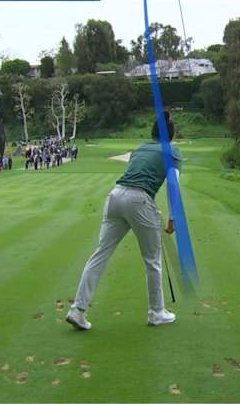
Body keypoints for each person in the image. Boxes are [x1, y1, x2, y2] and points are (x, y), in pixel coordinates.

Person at [66, 113, 183, 331]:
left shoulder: (140, 148)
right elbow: (173, 185)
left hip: (115, 196)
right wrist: (173, 218)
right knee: (152, 260)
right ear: (172, 134)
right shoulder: (172, 151)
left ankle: (78, 310)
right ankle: (157, 312)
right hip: (138, 200)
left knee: (100, 254)